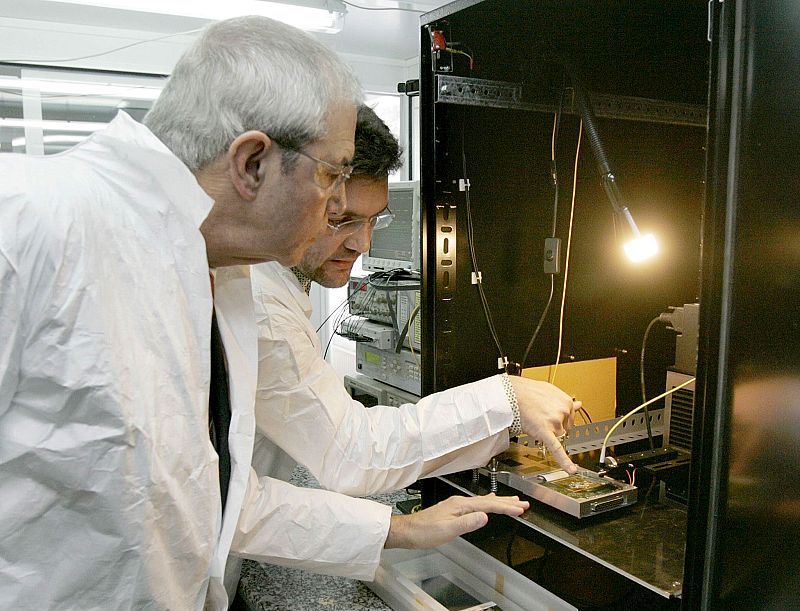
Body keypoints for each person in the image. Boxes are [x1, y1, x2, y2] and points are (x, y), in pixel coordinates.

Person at [0, 16, 553, 610]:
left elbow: (207, 494)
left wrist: (395, 531)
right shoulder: (28, 219)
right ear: (253, 162)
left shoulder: (218, 270)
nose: (341, 208)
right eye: (334, 176)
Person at [249, 105, 579, 578]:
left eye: (374, 221)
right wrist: (506, 396)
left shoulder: (275, 284)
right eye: (340, 219)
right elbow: (353, 453)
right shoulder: (261, 303)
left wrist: (396, 528)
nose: (362, 244)